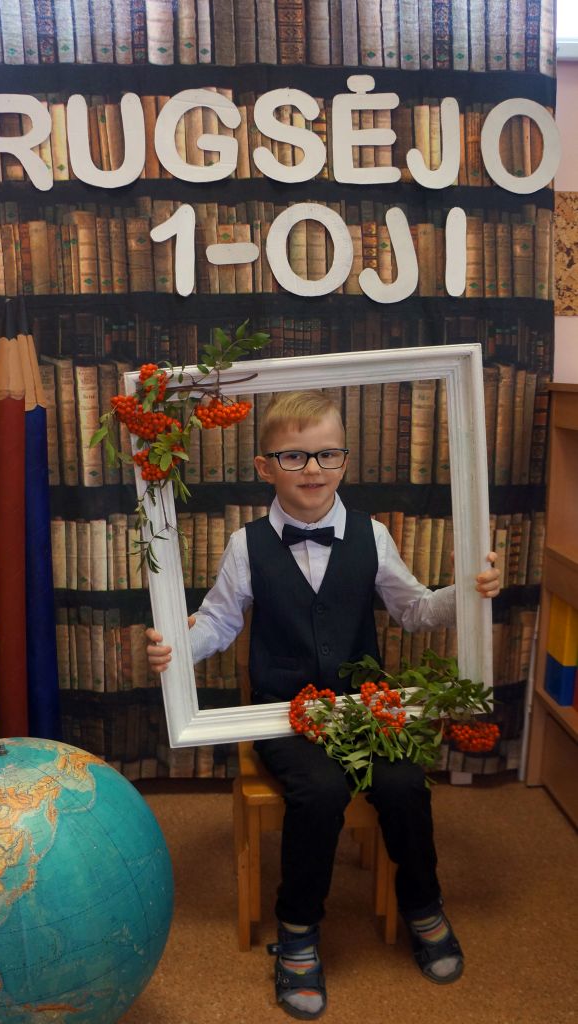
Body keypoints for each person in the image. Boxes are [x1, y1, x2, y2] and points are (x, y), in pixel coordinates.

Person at [146, 390, 500, 1020]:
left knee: (403, 784)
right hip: (283, 715)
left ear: (345, 460)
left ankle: (424, 905)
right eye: (294, 456)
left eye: (327, 454)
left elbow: (416, 611)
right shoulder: (246, 545)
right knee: (321, 791)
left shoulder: (372, 535)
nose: (312, 468)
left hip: (366, 711)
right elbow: (219, 623)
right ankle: (298, 929)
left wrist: (469, 593)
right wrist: (177, 647)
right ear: (265, 467)